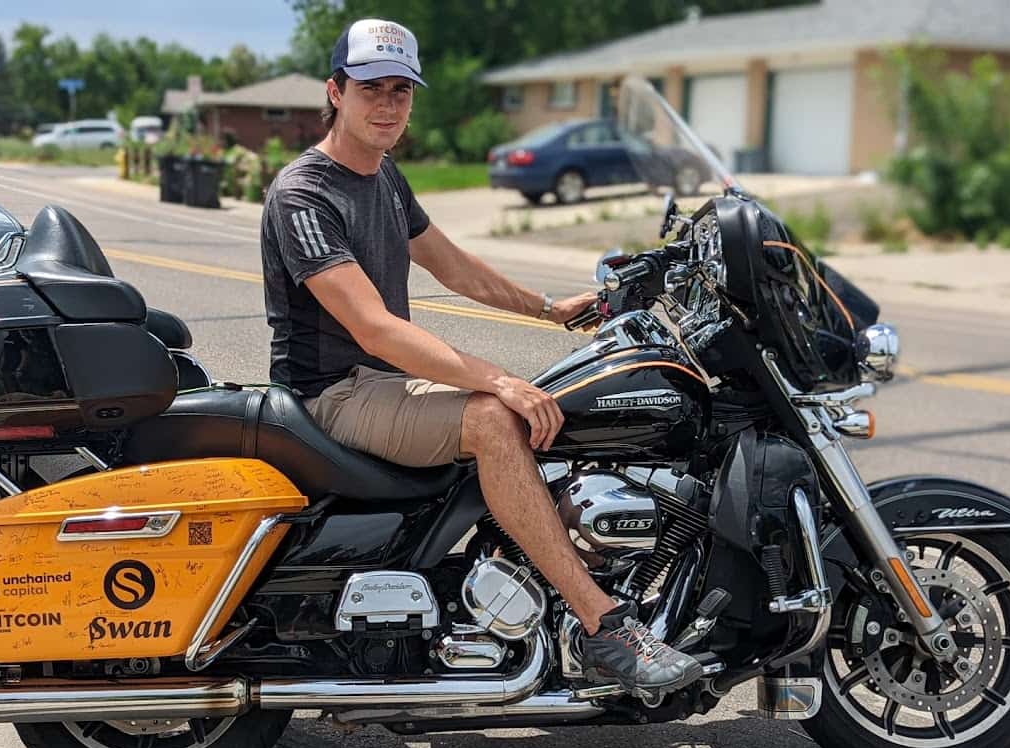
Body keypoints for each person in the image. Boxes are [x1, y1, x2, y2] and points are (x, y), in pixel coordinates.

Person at [260, 18, 703, 697]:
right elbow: (374, 329)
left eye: (400, 91)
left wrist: (552, 310)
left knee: (558, 406)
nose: (387, 105)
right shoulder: (305, 193)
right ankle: (605, 623)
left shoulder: (383, 178)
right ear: (335, 91)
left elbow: (457, 269)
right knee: (497, 417)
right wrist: (500, 381)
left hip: (378, 382)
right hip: (336, 392)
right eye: (370, 88)